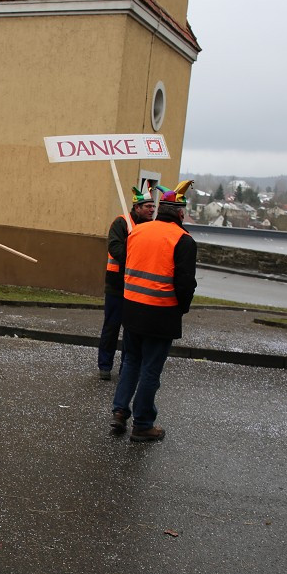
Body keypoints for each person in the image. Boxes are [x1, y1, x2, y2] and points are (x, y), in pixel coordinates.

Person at [111, 180, 197, 442]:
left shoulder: (137, 232)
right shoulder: (183, 240)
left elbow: (128, 263)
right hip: (161, 312)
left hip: (132, 308)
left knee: (131, 363)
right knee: (150, 370)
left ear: (160, 210)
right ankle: (143, 424)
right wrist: (181, 309)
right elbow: (185, 283)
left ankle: (119, 410)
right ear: (180, 213)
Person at [98, 183, 155, 380]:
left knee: (132, 331)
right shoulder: (121, 223)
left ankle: (127, 368)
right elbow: (116, 249)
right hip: (116, 285)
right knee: (112, 327)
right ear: (137, 207)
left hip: (138, 288)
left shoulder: (150, 228)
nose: (152, 210)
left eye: (153, 207)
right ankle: (105, 365)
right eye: (148, 206)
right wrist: (135, 248)